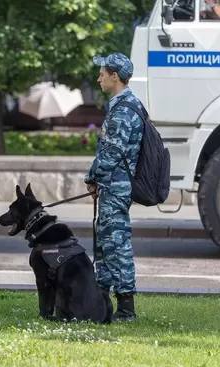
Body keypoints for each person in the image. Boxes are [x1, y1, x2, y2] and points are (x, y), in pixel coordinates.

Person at [84, 52, 144, 322]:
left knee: (117, 245)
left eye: (102, 74)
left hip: (117, 187)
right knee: (107, 244)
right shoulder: (125, 106)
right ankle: (100, 300)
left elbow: (112, 154)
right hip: (114, 185)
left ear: (115, 77)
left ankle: (125, 309)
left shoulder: (122, 112)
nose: (99, 78)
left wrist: (91, 176)